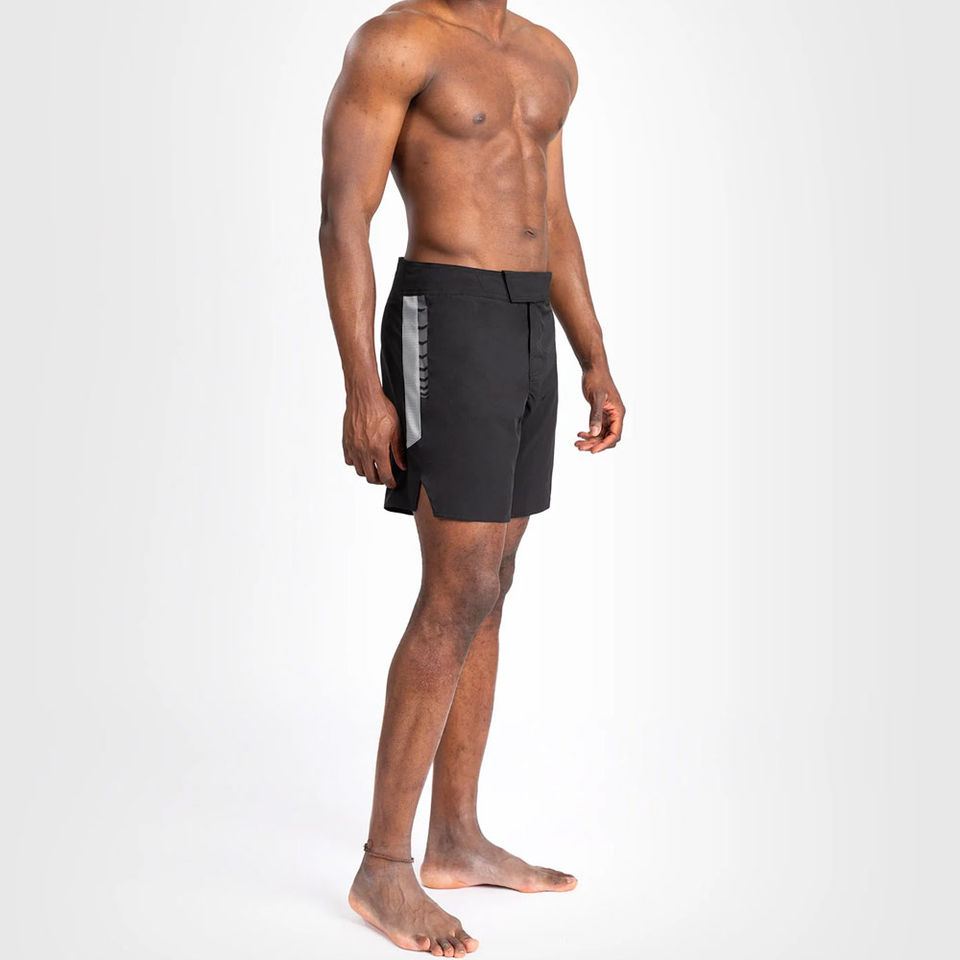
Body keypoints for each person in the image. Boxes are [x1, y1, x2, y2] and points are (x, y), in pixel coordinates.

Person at [318, 1, 624, 955]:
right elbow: (343, 218)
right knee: (456, 590)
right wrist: (362, 389)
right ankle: (384, 867)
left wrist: (594, 356)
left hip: (530, 321)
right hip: (445, 314)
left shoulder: (547, 55)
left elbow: (554, 217)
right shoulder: (397, 42)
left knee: (493, 585)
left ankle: (455, 838)